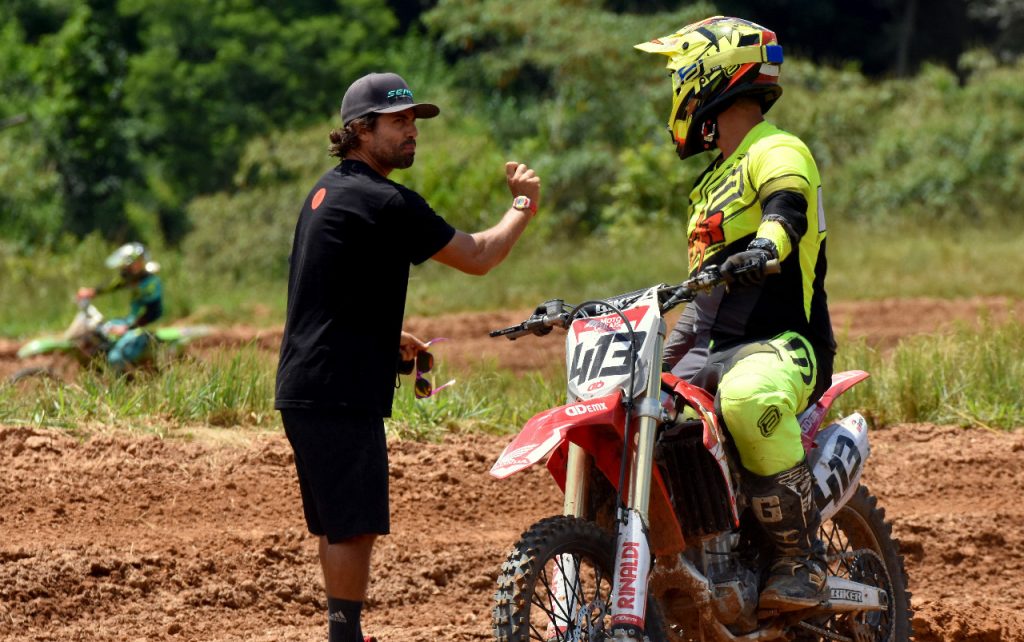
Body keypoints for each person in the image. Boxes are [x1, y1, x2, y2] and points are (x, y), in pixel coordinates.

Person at [274, 71, 541, 642]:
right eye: (399, 122)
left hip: (311, 384)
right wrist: (524, 204)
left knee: (337, 523)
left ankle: (343, 634)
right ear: (359, 130)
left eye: (415, 122)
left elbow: (330, 292)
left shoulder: (328, 190)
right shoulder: (384, 200)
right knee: (352, 527)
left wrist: (387, 338)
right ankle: (346, 638)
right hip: (338, 391)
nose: (412, 132)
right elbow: (478, 255)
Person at [636, 17, 837, 611]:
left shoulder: (774, 148)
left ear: (709, 76)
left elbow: (787, 208)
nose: (675, 89)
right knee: (638, 405)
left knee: (746, 398)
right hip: (711, 342)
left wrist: (768, 244)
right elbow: (703, 297)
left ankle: (803, 563)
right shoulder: (709, 184)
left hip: (781, 344)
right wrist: (655, 365)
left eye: (679, 74)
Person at [77, 242, 164, 372]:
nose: (123, 270)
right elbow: (113, 285)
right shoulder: (134, 279)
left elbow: (152, 313)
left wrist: (127, 327)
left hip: (144, 327)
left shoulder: (150, 284)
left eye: (126, 267)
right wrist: (92, 292)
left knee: (115, 358)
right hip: (132, 322)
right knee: (102, 332)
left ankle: (123, 384)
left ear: (137, 264)